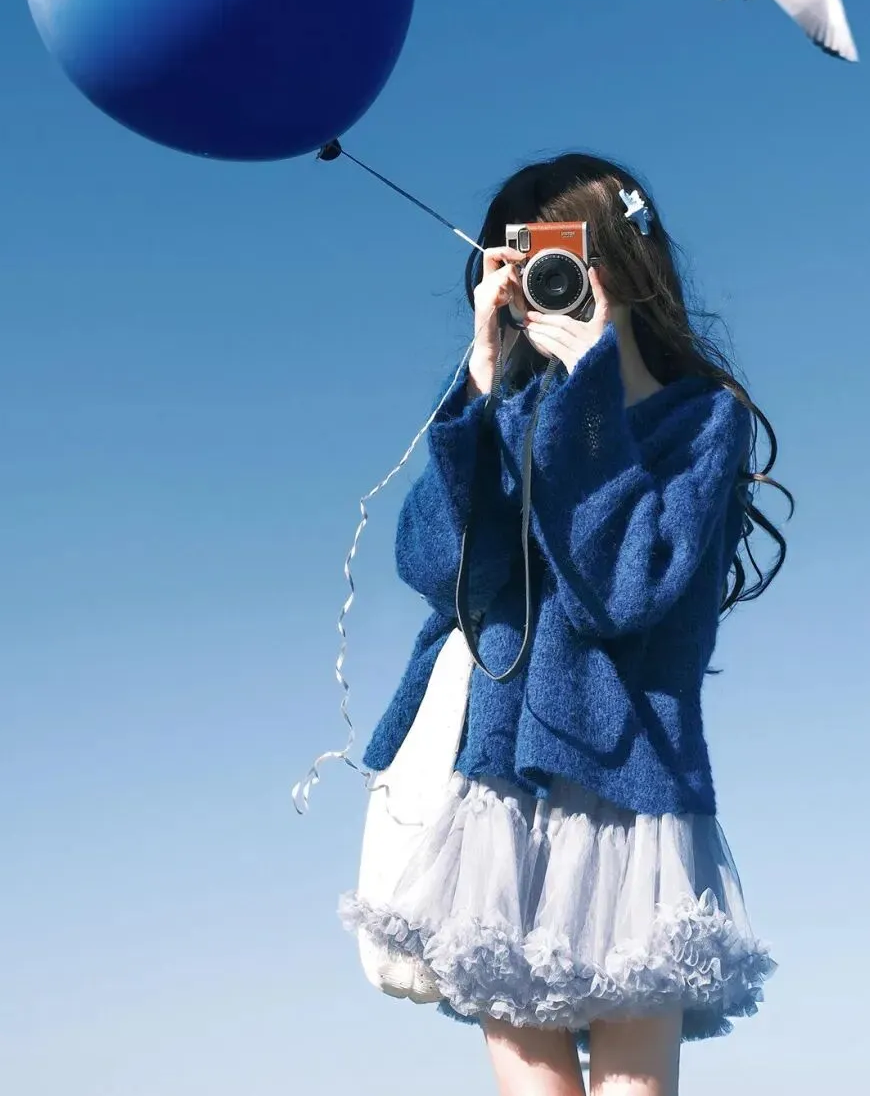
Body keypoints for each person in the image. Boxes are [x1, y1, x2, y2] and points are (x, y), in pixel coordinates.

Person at [339, 153, 791, 1096]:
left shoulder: (703, 421)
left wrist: (590, 391)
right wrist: (476, 390)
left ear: (619, 261)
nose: (543, 279)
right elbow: (438, 572)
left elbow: (620, 589)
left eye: (561, 253)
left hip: (630, 792)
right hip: (499, 790)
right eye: (519, 261)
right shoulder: (507, 409)